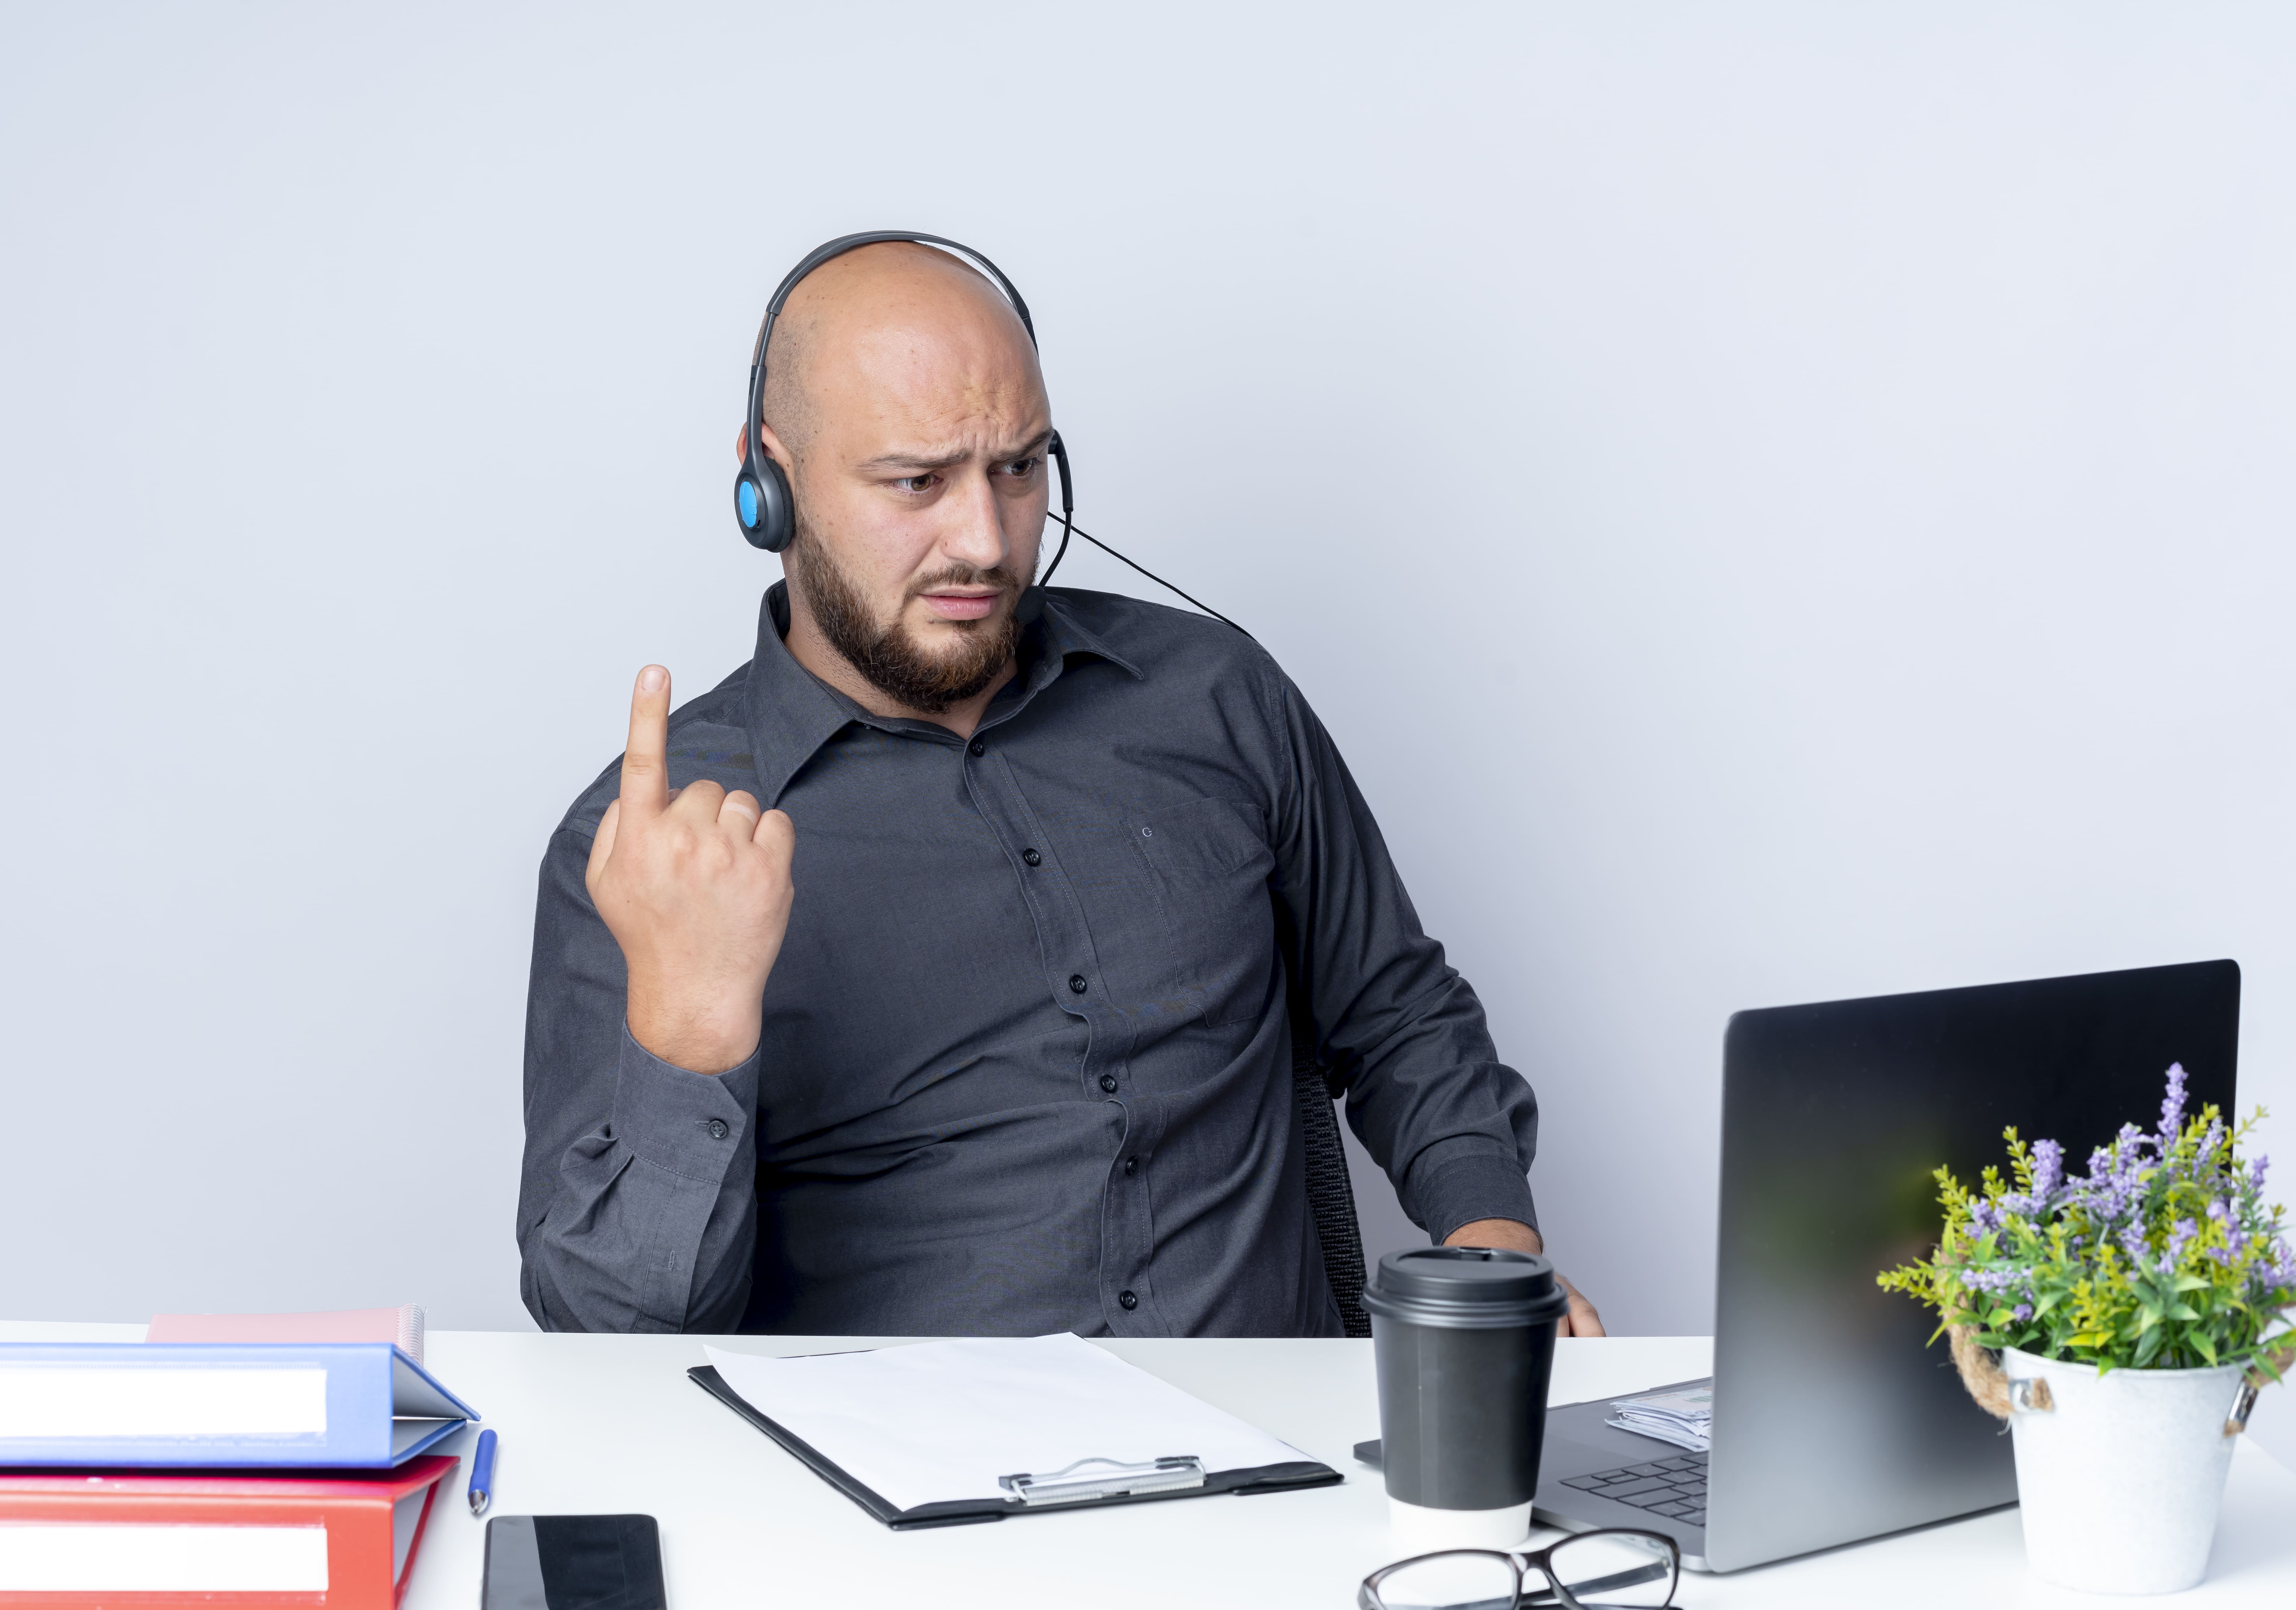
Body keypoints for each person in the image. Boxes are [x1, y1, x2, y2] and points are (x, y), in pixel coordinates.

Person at [517, 238, 1602, 1338]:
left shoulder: (1214, 697)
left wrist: (1491, 1247)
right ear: (768, 484)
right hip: (913, 1491)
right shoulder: (650, 850)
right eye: (916, 482)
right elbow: (610, 1335)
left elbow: (1397, 1013)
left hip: (1295, 1472)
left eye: (1019, 468)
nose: (984, 543)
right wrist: (689, 1027)